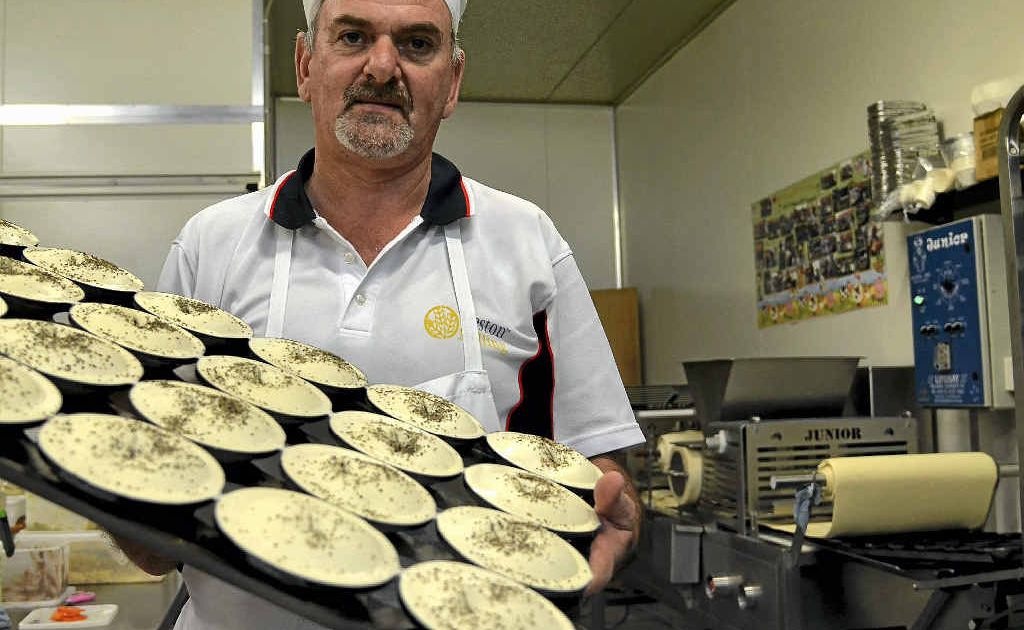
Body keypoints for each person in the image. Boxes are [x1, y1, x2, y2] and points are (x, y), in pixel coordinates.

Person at [138, 0, 645, 627]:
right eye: (353, 36)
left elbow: (599, 465)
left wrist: (611, 518)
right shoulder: (210, 245)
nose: (382, 67)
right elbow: (149, 525)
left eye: (416, 44)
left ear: (453, 81)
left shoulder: (527, 242)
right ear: (304, 64)